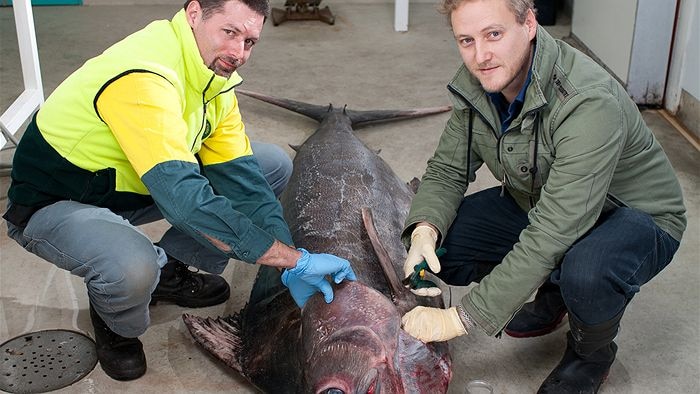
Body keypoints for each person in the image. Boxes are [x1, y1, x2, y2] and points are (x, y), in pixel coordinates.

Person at [3, 0, 356, 382]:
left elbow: (246, 184)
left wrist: (292, 257)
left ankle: (165, 271)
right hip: (59, 199)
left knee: (269, 164)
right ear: (194, 14)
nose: (238, 53)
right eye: (230, 33)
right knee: (131, 265)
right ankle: (114, 320)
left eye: (250, 41)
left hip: (131, 183)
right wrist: (292, 261)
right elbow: (185, 202)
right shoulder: (145, 73)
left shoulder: (214, 80)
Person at [398, 0, 686, 393]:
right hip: (543, 199)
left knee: (586, 271)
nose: (480, 56)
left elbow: (554, 230)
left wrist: (461, 319)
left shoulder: (587, 100)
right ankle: (555, 294)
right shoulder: (478, 86)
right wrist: (424, 229)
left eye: (493, 34)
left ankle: (591, 354)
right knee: (451, 246)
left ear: (529, 23)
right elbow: (448, 169)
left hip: (633, 218)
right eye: (466, 40)